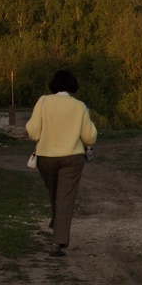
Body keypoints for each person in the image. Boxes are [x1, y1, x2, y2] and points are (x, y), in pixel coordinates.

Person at [25, 69, 98, 257]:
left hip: (46, 157)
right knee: (65, 198)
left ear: (54, 84)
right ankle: (57, 242)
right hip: (72, 158)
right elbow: (89, 136)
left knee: (54, 194)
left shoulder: (43, 102)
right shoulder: (79, 106)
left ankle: (57, 228)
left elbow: (33, 131)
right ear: (73, 85)